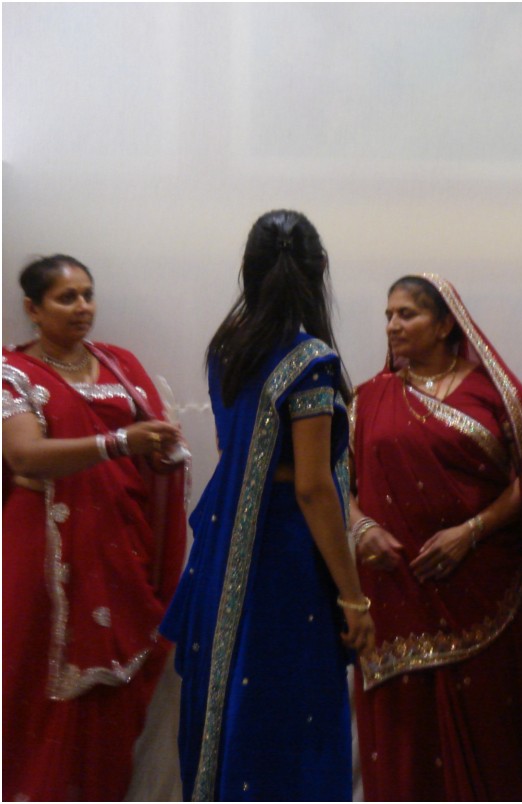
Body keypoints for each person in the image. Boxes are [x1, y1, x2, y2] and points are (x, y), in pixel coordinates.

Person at [160, 210, 374, 801]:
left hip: (223, 552)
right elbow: (311, 486)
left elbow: (240, 453)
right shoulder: (309, 364)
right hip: (284, 565)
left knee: (227, 712)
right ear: (318, 271)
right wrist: (353, 596)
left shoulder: (226, 349)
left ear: (247, 272)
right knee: (289, 724)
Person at [2, 255, 187, 801]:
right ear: (33, 309)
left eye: (87, 294)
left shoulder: (120, 366)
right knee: (39, 689)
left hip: (120, 548)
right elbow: (25, 456)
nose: (82, 308)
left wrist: (162, 454)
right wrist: (118, 444)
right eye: (66, 298)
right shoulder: (14, 373)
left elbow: (146, 455)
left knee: (115, 696)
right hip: (45, 555)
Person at [350, 273, 522, 801]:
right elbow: (340, 485)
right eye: (388, 315)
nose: (393, 325)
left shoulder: (493, 395)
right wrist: (361, 526)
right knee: (406, 760)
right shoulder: (369, 398)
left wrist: (470, 532)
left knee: (490, 749)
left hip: (484, 595)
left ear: (445, 322)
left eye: (407, 313)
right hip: (395, 604)